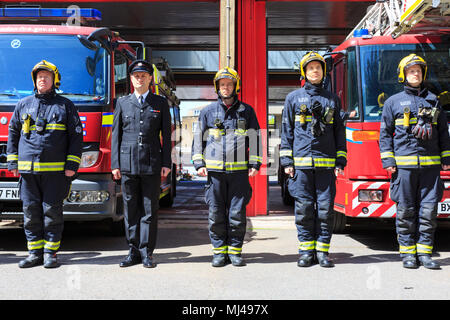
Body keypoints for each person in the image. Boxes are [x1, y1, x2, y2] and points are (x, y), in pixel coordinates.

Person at [7, 60, 83, 268]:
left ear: (54, 81)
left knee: (52, 213)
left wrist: (72, 165)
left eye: (46, 77)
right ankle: (34, 253)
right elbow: (13, 134)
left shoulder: (65, 106)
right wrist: (12, 162)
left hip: (55, 172)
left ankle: (51, 253)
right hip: (28, 172)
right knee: (30, 213)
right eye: (39, 77)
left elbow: (76, 137)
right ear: (35, 80)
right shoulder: (23, 104)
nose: (42, 79)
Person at [379, 54, 450, 269]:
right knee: (406, 211)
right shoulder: (392, 102)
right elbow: (384, 135)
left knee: (428, 212)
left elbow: (443, 133)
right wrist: (388, 160)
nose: (416, 74)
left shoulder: (433, 100)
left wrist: (446, 158)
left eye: (419, 70)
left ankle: (425, 254)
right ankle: (408, 254)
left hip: (430, 168)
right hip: (404, 169)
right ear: (403, 75)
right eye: (411, 71)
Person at [280, 52, 347, 268]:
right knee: (304, 209)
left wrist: (340, 161)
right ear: (304, 73)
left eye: (318, 67)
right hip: (301, 167)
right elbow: (286, 131)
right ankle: (306, 251)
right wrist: (287, 162)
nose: (315, 71)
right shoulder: (292, 99)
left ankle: (323, 252)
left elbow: (339, 133)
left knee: (326, 210)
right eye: (310, 68)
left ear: (323, 72)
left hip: (326, 166)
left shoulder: (333, 99)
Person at [192, 67, 262, 267]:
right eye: (222, 84)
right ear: (217, 87)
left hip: (239, 173)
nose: (225, 88)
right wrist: (198, 163)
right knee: (216, 214)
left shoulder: (246, 111)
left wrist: (255, 163)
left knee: (237, 215)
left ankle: (235, 252)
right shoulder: (207, 112)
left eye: (229, 84)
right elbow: (199, 139)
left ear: (235, 87)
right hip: (215, 174)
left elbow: (255, 138)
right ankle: (219, 253)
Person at [111, 59, 171, 268]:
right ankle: (133, 251)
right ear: (131, 79)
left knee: (149, 210)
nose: (140, 79)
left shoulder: (160, 103)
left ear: (149, 78)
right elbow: (115, 136)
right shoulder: (122, 103)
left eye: (144, 75)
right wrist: (115, 164)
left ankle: (147, 252)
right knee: (130, 209)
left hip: (151, 164)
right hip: (127, 164)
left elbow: (166, 137)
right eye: (136, 76)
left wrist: (166, 163)